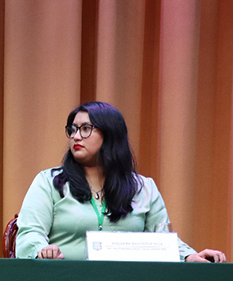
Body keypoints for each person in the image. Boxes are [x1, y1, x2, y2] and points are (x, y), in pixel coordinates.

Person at [16, 101, 226, 262]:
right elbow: (30, 233)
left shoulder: (144, 188)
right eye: (72, 129)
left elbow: (162, 240)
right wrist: (41, 251)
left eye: (85, 129)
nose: (76, 137)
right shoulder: (49, 182)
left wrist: (189, 256)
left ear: (110, 134)